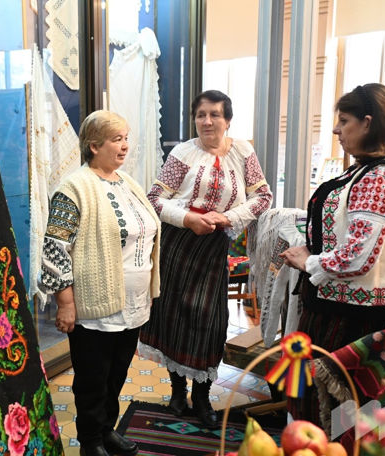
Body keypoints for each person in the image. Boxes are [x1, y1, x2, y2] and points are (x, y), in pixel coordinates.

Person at [279, 83, 385, 424]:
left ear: (368, 123)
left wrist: (309, 261)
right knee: (315, 390)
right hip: (336, 302)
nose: (336, 130)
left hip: (352, 312)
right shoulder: (364, 171)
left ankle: (323, 443)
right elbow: (346, 233)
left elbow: (357, 256)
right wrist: (313, 248)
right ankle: (310, 440)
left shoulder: (382, 176)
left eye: (344, 121)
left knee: (337, 399)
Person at [137, 90, 273, 427]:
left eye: (215, 114)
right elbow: (154, 198)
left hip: (213, 247)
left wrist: (228, 217)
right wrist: (188, 219)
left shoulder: (243, 152)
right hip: (178, 244)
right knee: (174, 317)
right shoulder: (183, 153)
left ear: (228, 120)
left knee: (209, 321)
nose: (207, 121)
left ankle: (202, 396)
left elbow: (262, 196)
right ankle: (177, 391)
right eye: (201, 115)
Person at [39, 110, 161, 456]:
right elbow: (55, 248)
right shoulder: (73, 188)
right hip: (94, 307)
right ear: (94, 146)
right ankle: (90, 442)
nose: (125, 146)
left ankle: (107, 431)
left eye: (126, 138)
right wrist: (65, 303)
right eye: (116, 139)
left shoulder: (127, 183)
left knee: (116, 375)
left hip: (133, 303)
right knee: (93, 380)